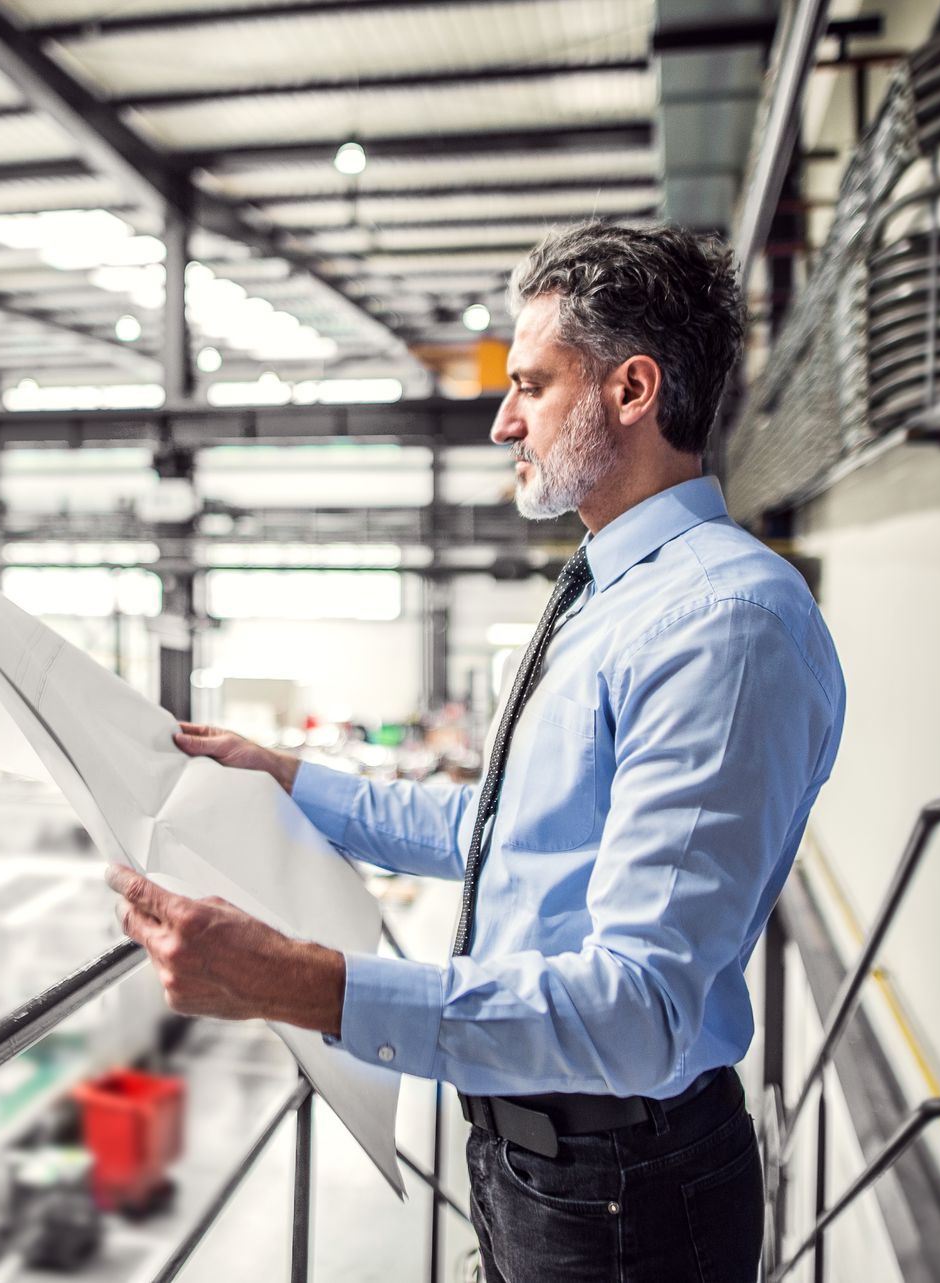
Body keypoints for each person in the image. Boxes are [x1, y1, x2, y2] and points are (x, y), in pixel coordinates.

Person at [105, 221, 846, 1282]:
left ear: (632, 390)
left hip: (626, 1194)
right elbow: (506, 830)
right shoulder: (612, 591)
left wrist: (302, 983)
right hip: (539, 1160)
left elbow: (638, 1010)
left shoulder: (722, 622)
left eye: (533, 385)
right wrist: (293, 782)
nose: (505, 422)